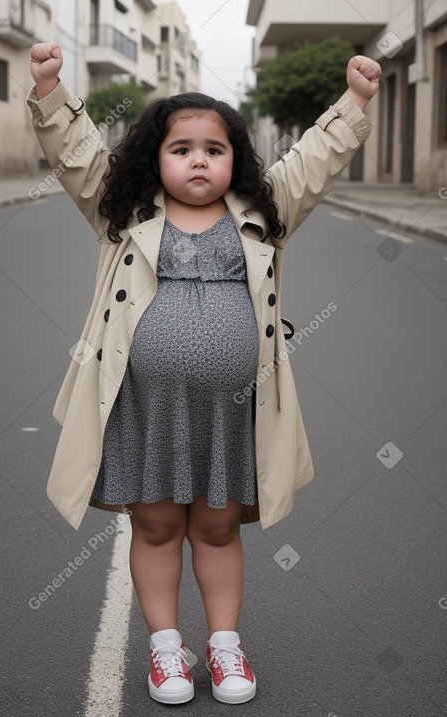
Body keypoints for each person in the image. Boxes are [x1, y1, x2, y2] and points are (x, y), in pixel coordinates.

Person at [27, 42, 381, 706]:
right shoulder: (123, 214)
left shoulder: (263, 211)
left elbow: (313, 160)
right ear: (153, 160)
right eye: (181, 147)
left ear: (235, 160)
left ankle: (223, 646)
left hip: (232, 409)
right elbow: (75, 155)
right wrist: (50, 92)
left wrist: (354, 102)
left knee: (217, 528)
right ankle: (166, 650)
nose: (198, 158)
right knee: (157, 526)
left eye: (213, 149)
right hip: (144, 406)